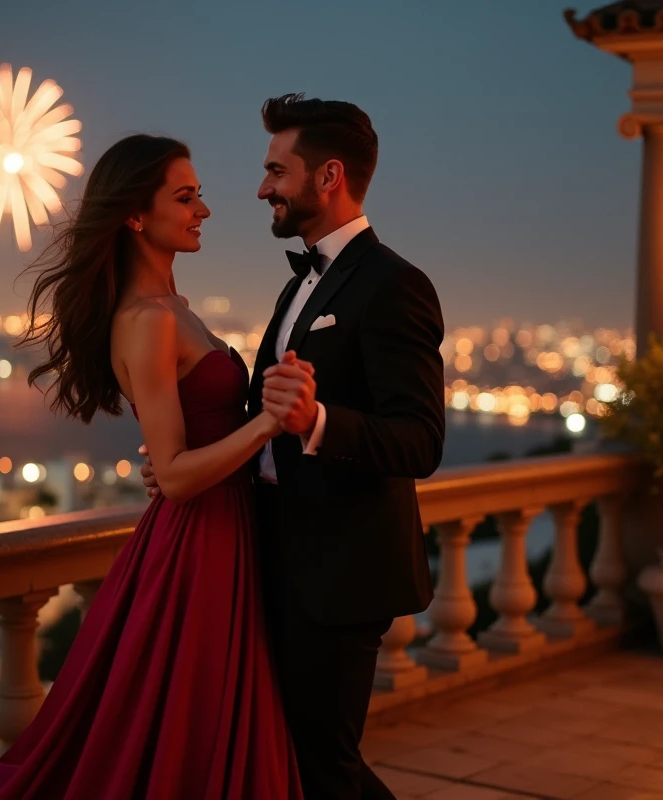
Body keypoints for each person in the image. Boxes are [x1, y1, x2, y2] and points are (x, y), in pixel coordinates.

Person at [0, 134, 303, 799]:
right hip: (198, 547)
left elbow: (181, 454)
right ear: (135, 214)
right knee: (192, 730)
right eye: (185, 198)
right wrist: (268, 423)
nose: (204, 211)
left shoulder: (174, 310)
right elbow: (180, 474)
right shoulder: (145, 320)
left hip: (225, 535)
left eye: (200, 196)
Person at [143, 94, 445, 799]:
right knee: (282, 760)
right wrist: (183, 467)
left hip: (341, 575)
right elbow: (261, 419)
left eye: (276, 170)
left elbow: (421, 441)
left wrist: (318, 421)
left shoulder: (393, 285)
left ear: (328, 176)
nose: (260, 188)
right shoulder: (302, 285)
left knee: (323, 764)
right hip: (272, 560)